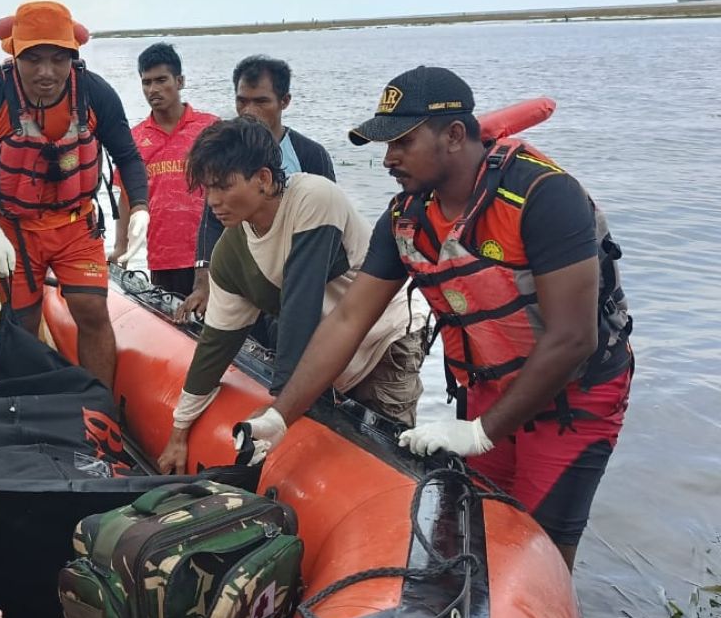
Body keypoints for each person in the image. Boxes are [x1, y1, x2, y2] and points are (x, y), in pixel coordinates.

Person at [239, 67, 632, 570]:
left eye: (401, 141)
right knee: (478, 526)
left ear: (453, 135)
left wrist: (481, 432)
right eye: (385, 144)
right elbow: (347, 320)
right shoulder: (406, 218)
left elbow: (573, 337)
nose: (388, 158)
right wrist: (279, 416)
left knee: (543, 549)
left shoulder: (544, 197)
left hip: (573, 398)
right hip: (489, 385)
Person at [158, 117, 425, 475]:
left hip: (382, 341)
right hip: (325, 360)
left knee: (392, 461)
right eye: (207, 189)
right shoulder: (229, 255)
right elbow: (215, 346)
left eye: (223, 186)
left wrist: (277, 412)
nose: (214, 202)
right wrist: (179, 432)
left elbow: (300, 306)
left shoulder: (313, 198)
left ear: (264, 179)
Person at [0, 1, 150, 388]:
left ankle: (100, 411)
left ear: (73, 56)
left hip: (76, 224)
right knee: (21, 319)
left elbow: (127, 156)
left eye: (58, 59)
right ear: (14, 53)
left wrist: (141, 208)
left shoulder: (95, 93)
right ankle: (27, 405)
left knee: (92, 310)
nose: (47, 73)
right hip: (15, 228)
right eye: (34, 59)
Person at [178, 55, 336, 322]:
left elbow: (329, 230)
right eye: (242, 101)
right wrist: (203, 284)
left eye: (261, 101)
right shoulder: (228, 153)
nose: (249, 110)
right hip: (245, 278)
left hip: (298, 280)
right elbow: (212, 222)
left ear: (284, 101)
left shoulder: (310, 154)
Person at [110, 42, 219, 296]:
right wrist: (121, 248)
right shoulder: (134, 140)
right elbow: (126, 198)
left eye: (161, 80)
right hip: (163, 257)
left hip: (213, 254)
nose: (153, 89)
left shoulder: (211, 129)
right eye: (146, 82)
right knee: (174, 328)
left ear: (179, 81)